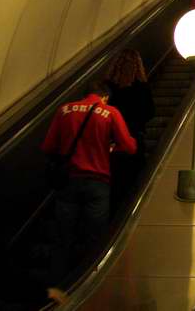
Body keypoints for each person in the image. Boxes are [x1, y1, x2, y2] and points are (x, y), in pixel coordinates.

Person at [41, 81, 136, 283]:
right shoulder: (110, 112)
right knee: (95, 236)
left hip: (68, 181)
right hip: (97, 181)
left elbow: (48, 146)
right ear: (105, 97)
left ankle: (56, 284)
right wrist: (110, 148)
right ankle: (89, 282)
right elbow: (129, 147)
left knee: (62, 236)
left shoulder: (64, 110)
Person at [105, 48, 155, 211]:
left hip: (111, 143)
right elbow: (150, 112)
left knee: (112, 183)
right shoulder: (142, 87)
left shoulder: (107, 88)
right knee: (133, 181)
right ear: (137, 65)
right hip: (135, 139)